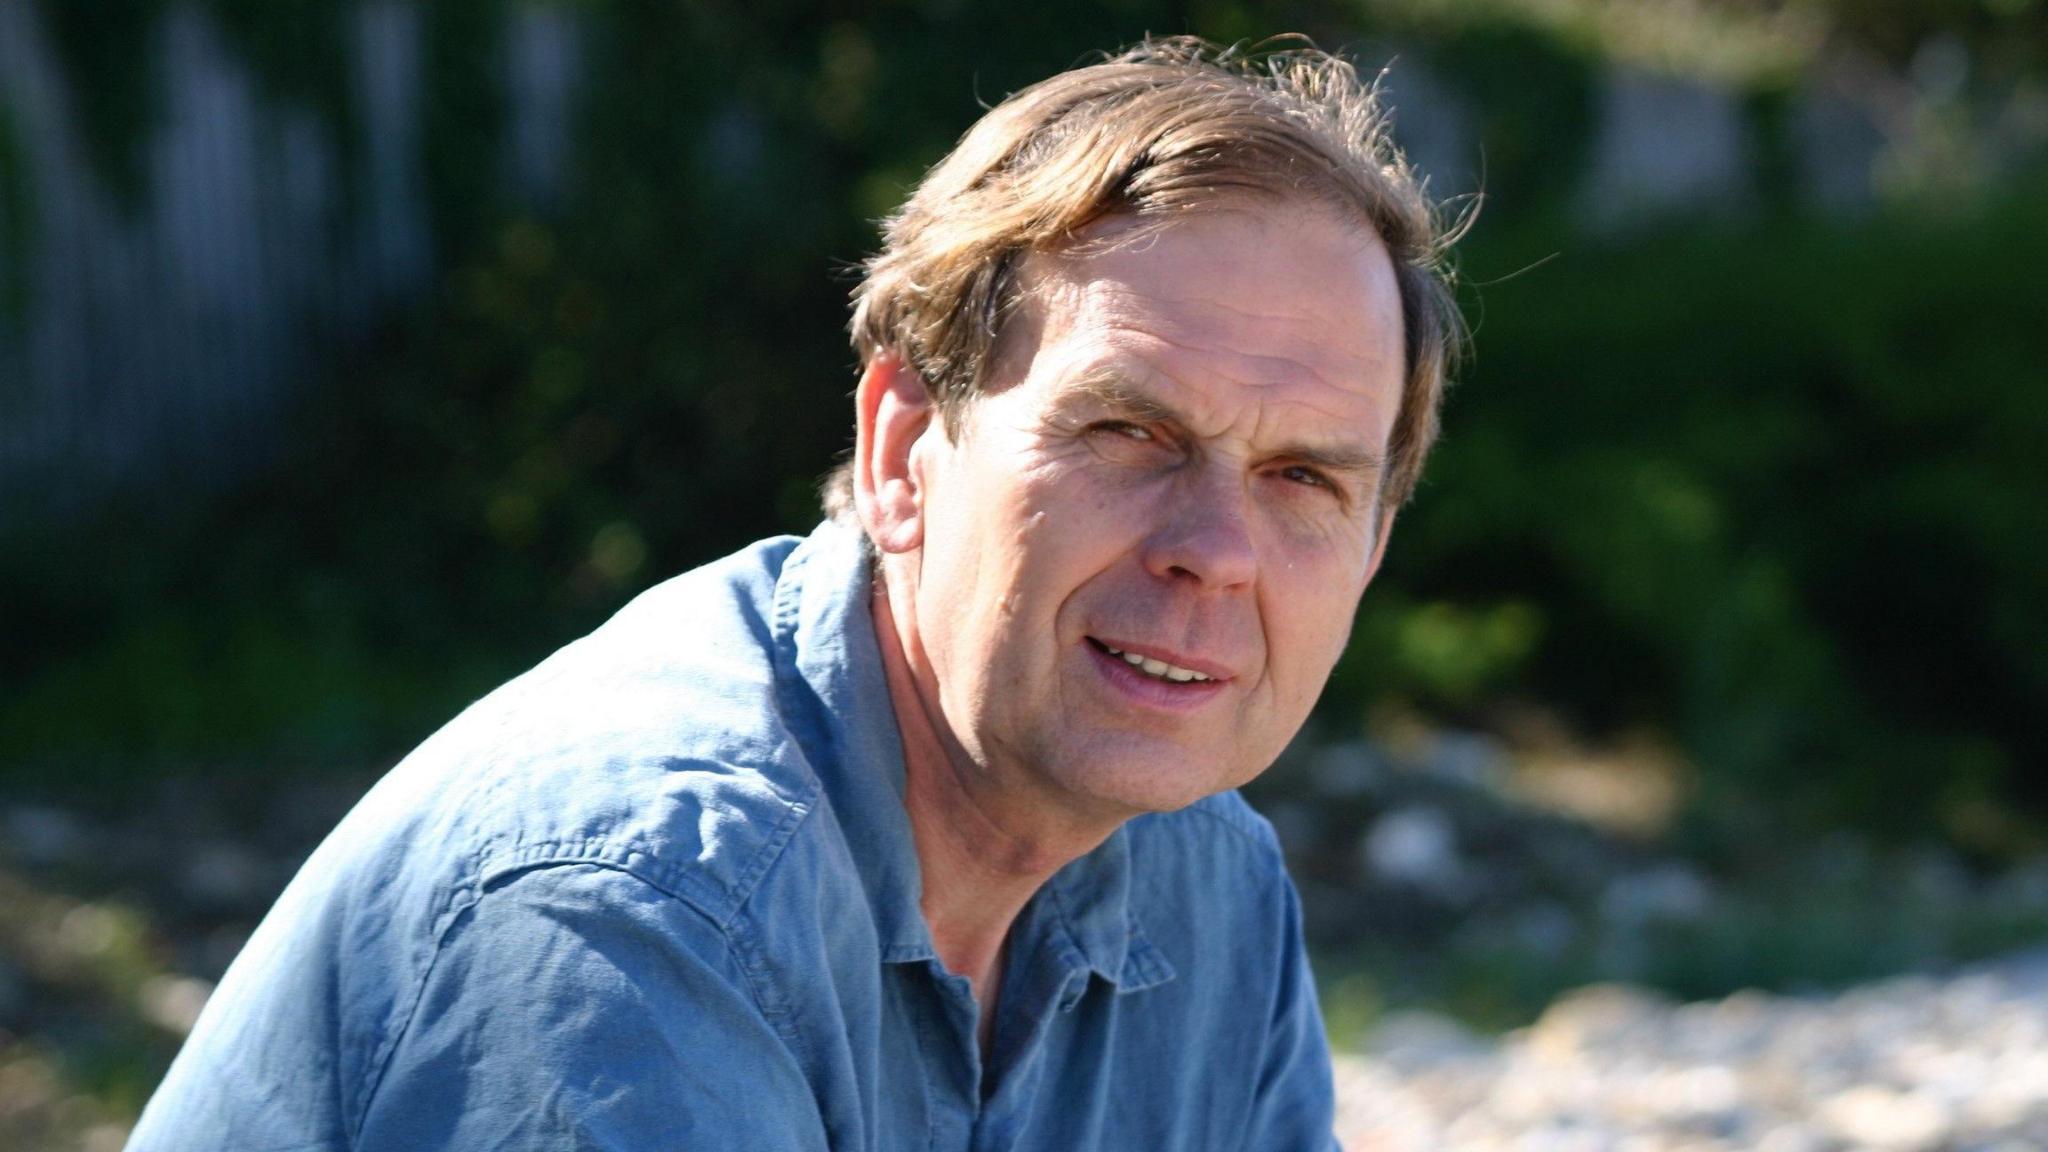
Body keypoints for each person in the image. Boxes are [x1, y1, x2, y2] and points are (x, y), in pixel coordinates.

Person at [128, 36, 1462, 1151]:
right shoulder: (643, 912)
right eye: (1129, 433)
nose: (1216, 548)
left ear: (1375, 544)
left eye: (1303, 478)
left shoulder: (1206, 883)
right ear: (900, 453)